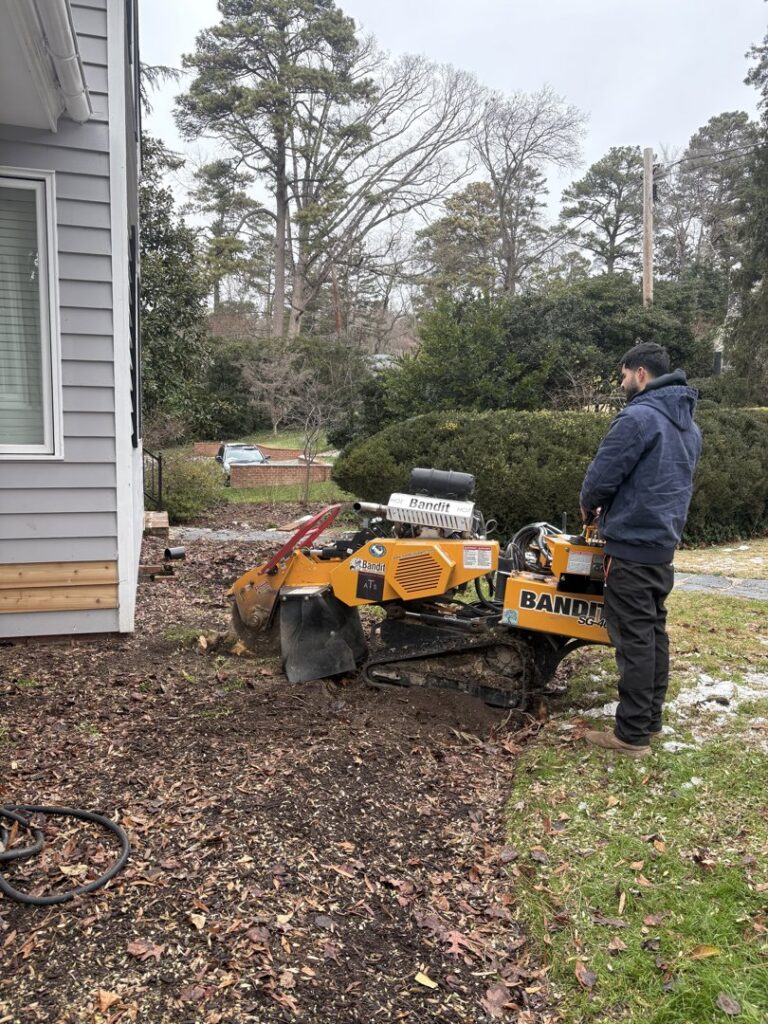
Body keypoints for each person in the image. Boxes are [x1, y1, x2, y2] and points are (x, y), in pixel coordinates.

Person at [579, 341, 702, 758]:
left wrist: (588, 506)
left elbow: (600, 478)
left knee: (633, 640)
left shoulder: (639, 418)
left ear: (641, 374)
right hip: (662, 547)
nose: (623, 382)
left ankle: (630, 736)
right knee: (652, 634)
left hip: (630, 547)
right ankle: (649, 720)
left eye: (624, 375)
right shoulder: (687, 424)